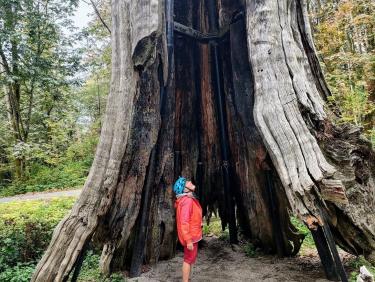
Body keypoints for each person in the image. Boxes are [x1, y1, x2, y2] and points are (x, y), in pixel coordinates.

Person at [174, 176, 203, 282]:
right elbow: (184, 222)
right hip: (190, 236)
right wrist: (188, 240)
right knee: (188, 259)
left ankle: (188, 279)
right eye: (186, 182)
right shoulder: (187, 201)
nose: (190, 181)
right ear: (184, 189)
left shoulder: (187, 199)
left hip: (193, 234)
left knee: (191, 258)